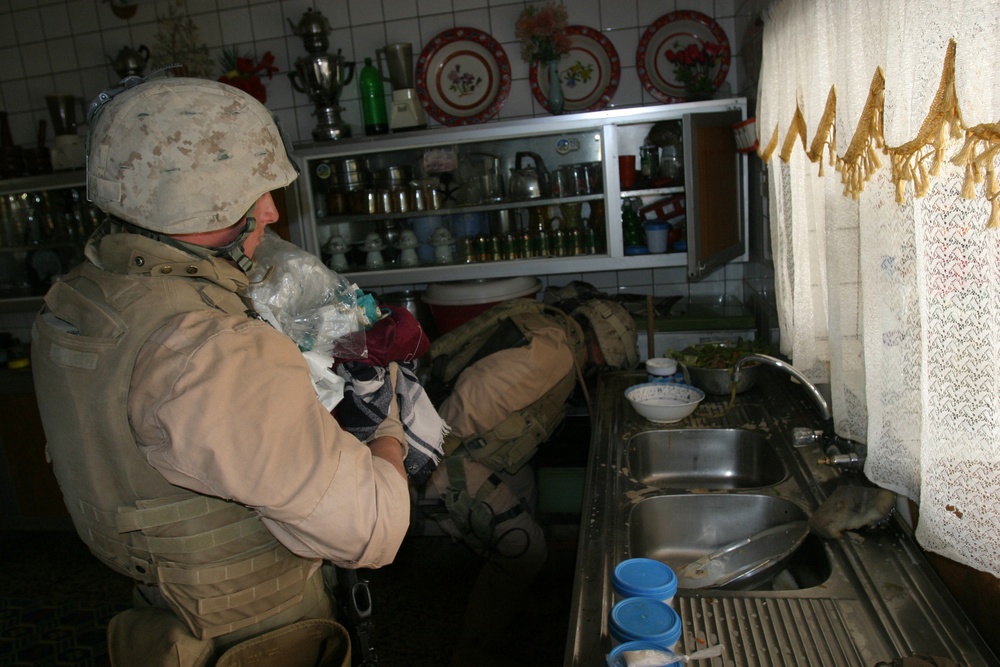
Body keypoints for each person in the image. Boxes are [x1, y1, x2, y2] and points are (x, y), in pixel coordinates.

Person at [30, 77, 410, 667]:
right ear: (192, 198)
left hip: (167, 606)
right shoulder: (207, 348)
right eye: (251, 192)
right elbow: (374, 530)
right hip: (258, 633)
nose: (271, 210)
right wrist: (385, 421)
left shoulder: (87, 295)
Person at [417, 284, 638, 666]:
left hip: (469, 446)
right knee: (524, 545)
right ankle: (472, 652)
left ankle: (517, 597)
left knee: (525, 487)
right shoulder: (554, 354)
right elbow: (471, 399)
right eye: (610, 361)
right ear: (604, 348)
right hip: (445, 453)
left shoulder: (557, 331)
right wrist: (432, 466)